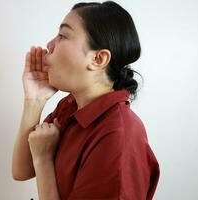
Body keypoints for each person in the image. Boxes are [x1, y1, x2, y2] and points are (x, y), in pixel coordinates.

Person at [12, 1, 160, 199]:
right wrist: (34, 101)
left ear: (98, 59)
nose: (50, 45)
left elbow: (36, 160)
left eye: (63, 36)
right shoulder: (70, 106)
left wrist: (44, 160)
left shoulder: (118, 137)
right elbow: (22, 171)